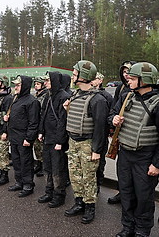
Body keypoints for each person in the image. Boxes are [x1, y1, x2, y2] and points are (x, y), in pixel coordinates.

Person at [110, 62, 159, 237]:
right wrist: (113, 119)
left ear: (144, 80)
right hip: (125, 155)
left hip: (145, 158)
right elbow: (112, 115)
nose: (127, 80)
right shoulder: (127, 97)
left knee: (144, 197)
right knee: (126, 192)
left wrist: (157, 164)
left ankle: (142, 230)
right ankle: (127, 226)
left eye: (132, 78)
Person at [64, 60, 109, 224]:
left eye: (75, 73)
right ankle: (78, 202)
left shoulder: (98, 100)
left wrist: (96, 150)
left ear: (83, 76)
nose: (73, 76)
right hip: (73, 141)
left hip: (87, 143)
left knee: (88, 177)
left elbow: (100, 128)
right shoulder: (75, 94)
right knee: (75, 175)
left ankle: (90, 207)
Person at [37, 71, 70, 207]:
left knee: (58, 169)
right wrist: (41, 131)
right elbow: (43, 115)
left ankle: (59, 195)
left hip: (57, 140)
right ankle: (48, 191)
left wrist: (60, 141)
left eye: (48, 81)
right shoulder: (48, 96)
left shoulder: (64, 97)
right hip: (47, 138)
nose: (46, 83)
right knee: (47, 167)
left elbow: (63, 121)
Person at [108, 60, 136, 205]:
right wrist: (112, 124)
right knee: (122, 166)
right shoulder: (120, 89)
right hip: (120, 131)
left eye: (129, 72)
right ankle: (122, 192)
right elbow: (114, 108)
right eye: (124, 72)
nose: (126, 75)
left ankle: (131, 195)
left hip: (135, 134)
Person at [6, 75, 40, 197]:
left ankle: (28, 185)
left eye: (18, 85)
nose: (15, 87)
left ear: (25, 85)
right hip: (14, 136)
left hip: (24, 137)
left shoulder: (32, 101)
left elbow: (33, 122)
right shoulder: (16, 99)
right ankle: (19, 182)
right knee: (16, 160)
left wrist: (29, 138)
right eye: (15, 85)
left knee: (26, 161)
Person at [91, 72, 113, 192]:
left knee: (99, 163)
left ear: (100, 80)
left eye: (95, 79)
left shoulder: (106, 96)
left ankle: (98, 184)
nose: (92, 81)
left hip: (102, 134)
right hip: (90, 134)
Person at [33, 75, 48, 177]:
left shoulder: (45, 96)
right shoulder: (37, 96)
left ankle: (43, 166)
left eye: (38, 84)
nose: (36, 86)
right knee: (36, 146)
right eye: (35, 84)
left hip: (41, 124)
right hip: (35, 123)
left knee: (41, 147)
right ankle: (38, 163)